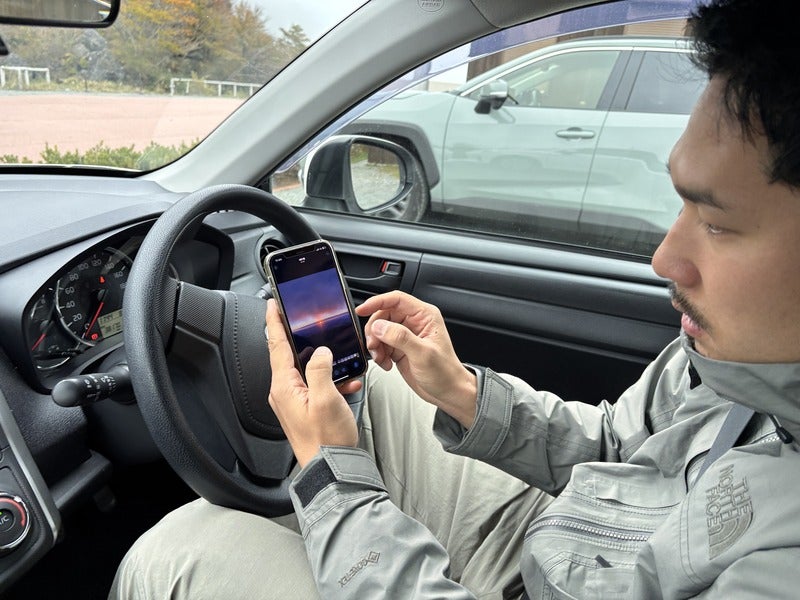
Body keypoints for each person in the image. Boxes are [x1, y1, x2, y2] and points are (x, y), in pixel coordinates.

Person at [109, 0, 800, 597]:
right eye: (680, 204)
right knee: (374, 388)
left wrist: (335, 487)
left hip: (560, 562)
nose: (665, 259)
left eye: (717, 223)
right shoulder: (733, 360)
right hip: (566, 538)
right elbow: (620, 445)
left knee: (175, 554)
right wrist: (465, 394)